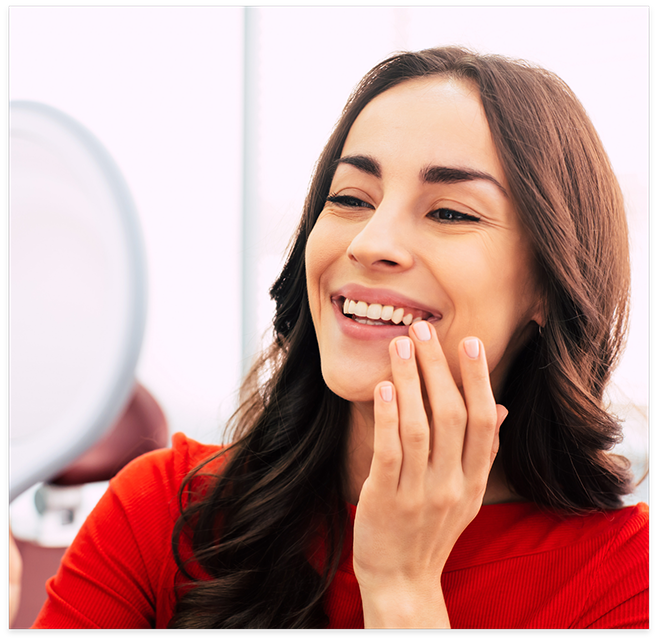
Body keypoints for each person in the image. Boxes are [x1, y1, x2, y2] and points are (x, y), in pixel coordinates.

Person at [10, 46, 647, 629]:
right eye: (350, 198)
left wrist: (403, 588)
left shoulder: (625, 576)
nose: (370, 244)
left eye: (449, 211)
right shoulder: (161, 513)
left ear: (548, 284)